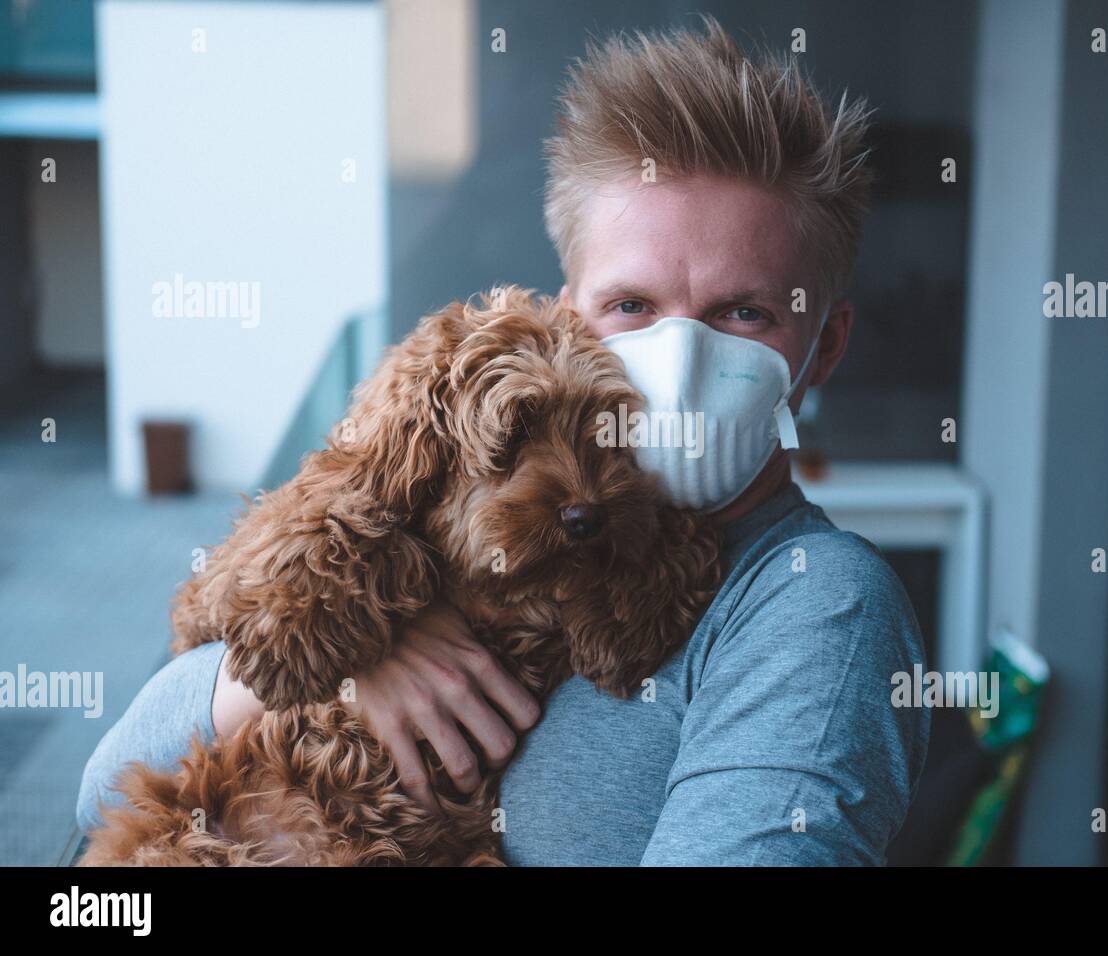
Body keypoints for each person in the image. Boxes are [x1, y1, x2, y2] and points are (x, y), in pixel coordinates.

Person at [77, 16, 929, 866]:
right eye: (631, 306)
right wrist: (351, 656)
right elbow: (102, 787)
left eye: (746, 312)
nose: (683, 355)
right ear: (567, 317)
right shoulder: (448, 508)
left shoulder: (815, 608)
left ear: (826, 345)